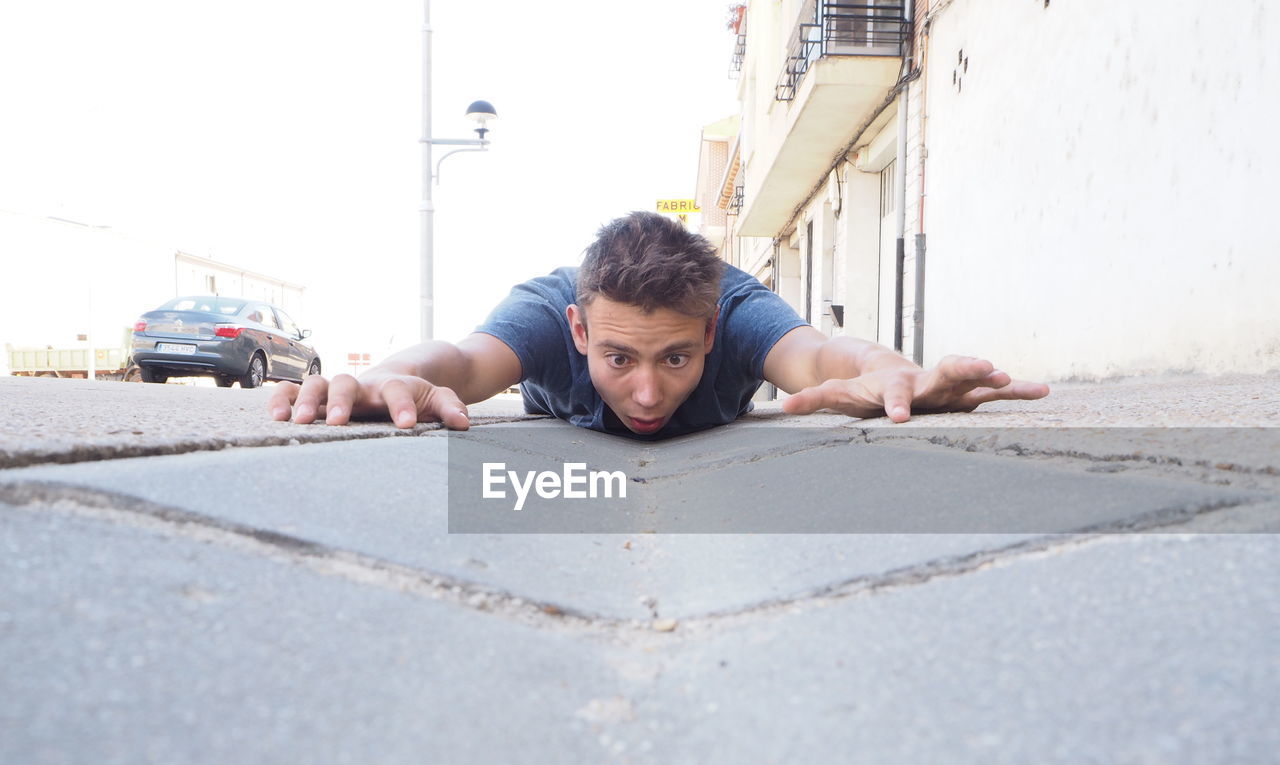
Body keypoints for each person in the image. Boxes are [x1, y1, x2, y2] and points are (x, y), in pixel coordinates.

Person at [270, 211, 1048, 435]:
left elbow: (819, 356)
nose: (645, 393)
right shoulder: (547, 308)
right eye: (617, 358)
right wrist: (383, 379)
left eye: (675, 359)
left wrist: (890, 372)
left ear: (710, 334)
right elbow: (462, 364)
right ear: (578, 331)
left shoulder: (736, 309)